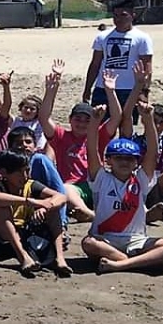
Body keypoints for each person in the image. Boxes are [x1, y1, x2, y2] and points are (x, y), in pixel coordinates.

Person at [82, 104, 163, 274]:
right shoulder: (101, 178)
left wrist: (148, 120)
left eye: (130, 159)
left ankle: (121, 264)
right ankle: (136, 262)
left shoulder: (140, 179)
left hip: (137, 241)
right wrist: (95, 121)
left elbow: (153, 153)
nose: (124, 162)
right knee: (88, 243)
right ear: (109, 160)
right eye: (119, 158)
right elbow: (91, 151)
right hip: (105, 241)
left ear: (136, 162)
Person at [39, 60, 126, 222]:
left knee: (122, 183)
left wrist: (110, 91)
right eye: (77, 119)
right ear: (70, 120)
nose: (81, 123)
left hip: (98, 185)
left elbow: (116, 117)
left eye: (87, 120)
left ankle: (143, 212)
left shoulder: (98, 134)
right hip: (74, 189)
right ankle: (89, 214)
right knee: (64, 189)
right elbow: (44, 118)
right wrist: (51, 90)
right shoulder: (61, 136)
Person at [0, 151, 71, 277]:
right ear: (4, 173)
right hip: (3, 239)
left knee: (53, 209)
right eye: (19, 172)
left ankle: (60, 258)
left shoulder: (30, 185)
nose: (25, 175)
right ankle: (22, 256)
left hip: (26, 235)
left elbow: (61, 197)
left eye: (27, 170)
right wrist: (27, 202)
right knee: (1, 207)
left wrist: (45, 208)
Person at [83, 0, 153, 113]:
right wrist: (87, 88)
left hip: (130, 89)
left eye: (123, 15)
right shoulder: (102, 36)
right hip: (103, 88)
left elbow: (147, 68)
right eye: (115, 16)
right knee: (101, 126)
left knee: (126, 127)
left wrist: (144, 92)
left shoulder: (142, 38)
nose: (118, 19)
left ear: (133, 15)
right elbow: (95, 64)